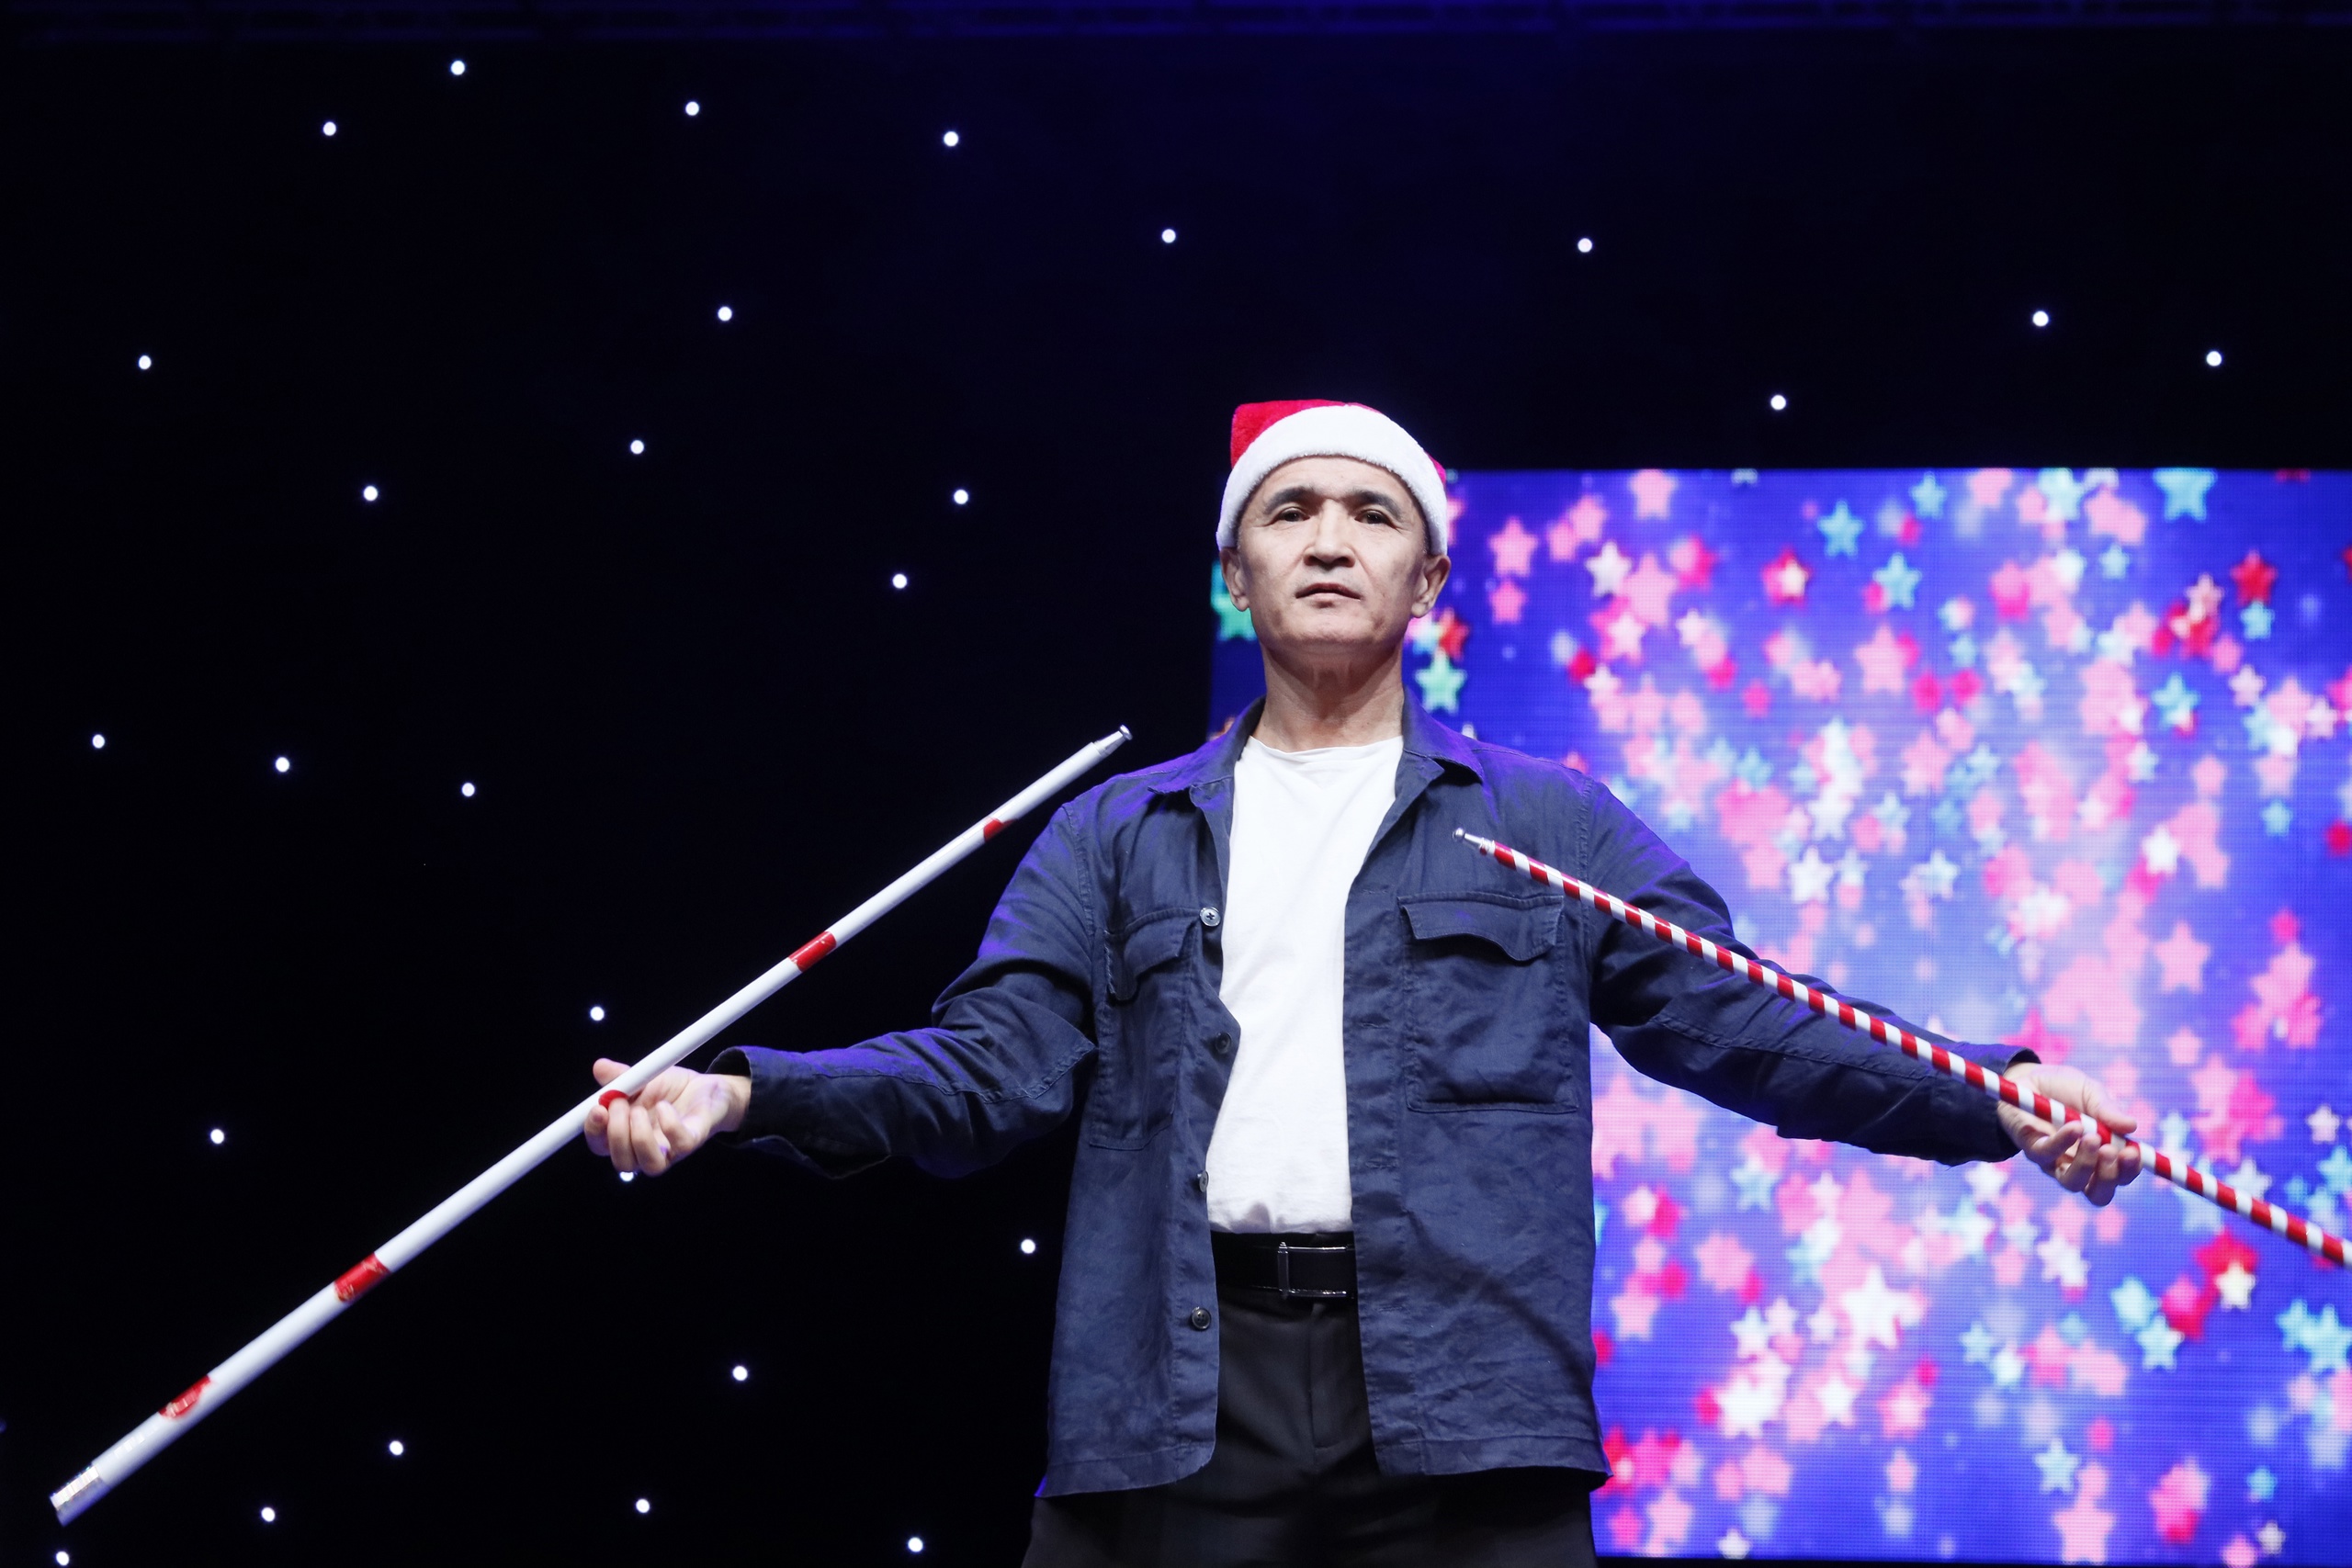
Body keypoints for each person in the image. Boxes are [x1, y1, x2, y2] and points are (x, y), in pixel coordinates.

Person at [582, 400, 2143, 1566]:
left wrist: (1995, 1095)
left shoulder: (1548, 824)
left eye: (1371, 514)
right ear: (1236, 572)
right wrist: (745, 1094)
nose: (1330, 539)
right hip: (1177, 1407)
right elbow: (985, 1072)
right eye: (1292, 511)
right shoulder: (1116, 836)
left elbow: (1747, 1021)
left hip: (1464, 1407)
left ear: (1428, 576)